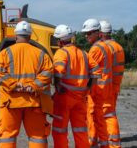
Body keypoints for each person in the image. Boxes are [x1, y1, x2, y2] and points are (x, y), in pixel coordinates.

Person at [0, 21, 53, 148]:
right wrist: (33, 86)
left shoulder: (5, 53)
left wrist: (14, 85)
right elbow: (48, 73)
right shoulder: (41, 54)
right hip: (34, 102)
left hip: (10, 102)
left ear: (15, 36)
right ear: (30, 37)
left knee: (7, 137)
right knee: (37, 137)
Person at [52, 24, 101, 148]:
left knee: (60, 130)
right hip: (80, 99)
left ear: (59, 41)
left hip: (64, 97)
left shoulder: (61, 53)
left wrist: (57, 85)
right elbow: (96, 71)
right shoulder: (83, 53)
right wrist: (88, 88)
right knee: (80, 130)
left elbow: (58, 71)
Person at [82, 18, 113, 148]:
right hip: (103, 88)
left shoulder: (95, 49)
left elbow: (88, 71)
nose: (86, 36)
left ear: (97, 33)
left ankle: (92, 143)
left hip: (96, 89)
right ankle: (103, 144)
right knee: (100, 120)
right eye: (86, 33)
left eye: (89, 33)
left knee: (92, 117)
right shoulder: (105, 46)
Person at [99, 20, 124, 148]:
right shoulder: (119, 47)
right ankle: (110, 139)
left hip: (106, 86)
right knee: (110, 112)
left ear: (101, 34)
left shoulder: (106, 48)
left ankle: (112, 141)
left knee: (107, 114)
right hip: (115, 85)